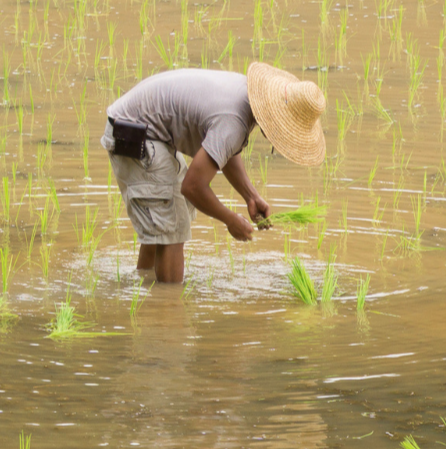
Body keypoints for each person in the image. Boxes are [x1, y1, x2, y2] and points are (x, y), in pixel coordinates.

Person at [101, 62, 326, 283]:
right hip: (133, 133)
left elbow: (222, 149)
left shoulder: (243, 96)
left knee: (164, 221)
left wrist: (251, 196)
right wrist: (230, 219)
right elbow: (192, 187)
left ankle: (144, 286)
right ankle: (167, 310)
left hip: (142, 128)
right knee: (172, 224)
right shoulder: (234, 120)